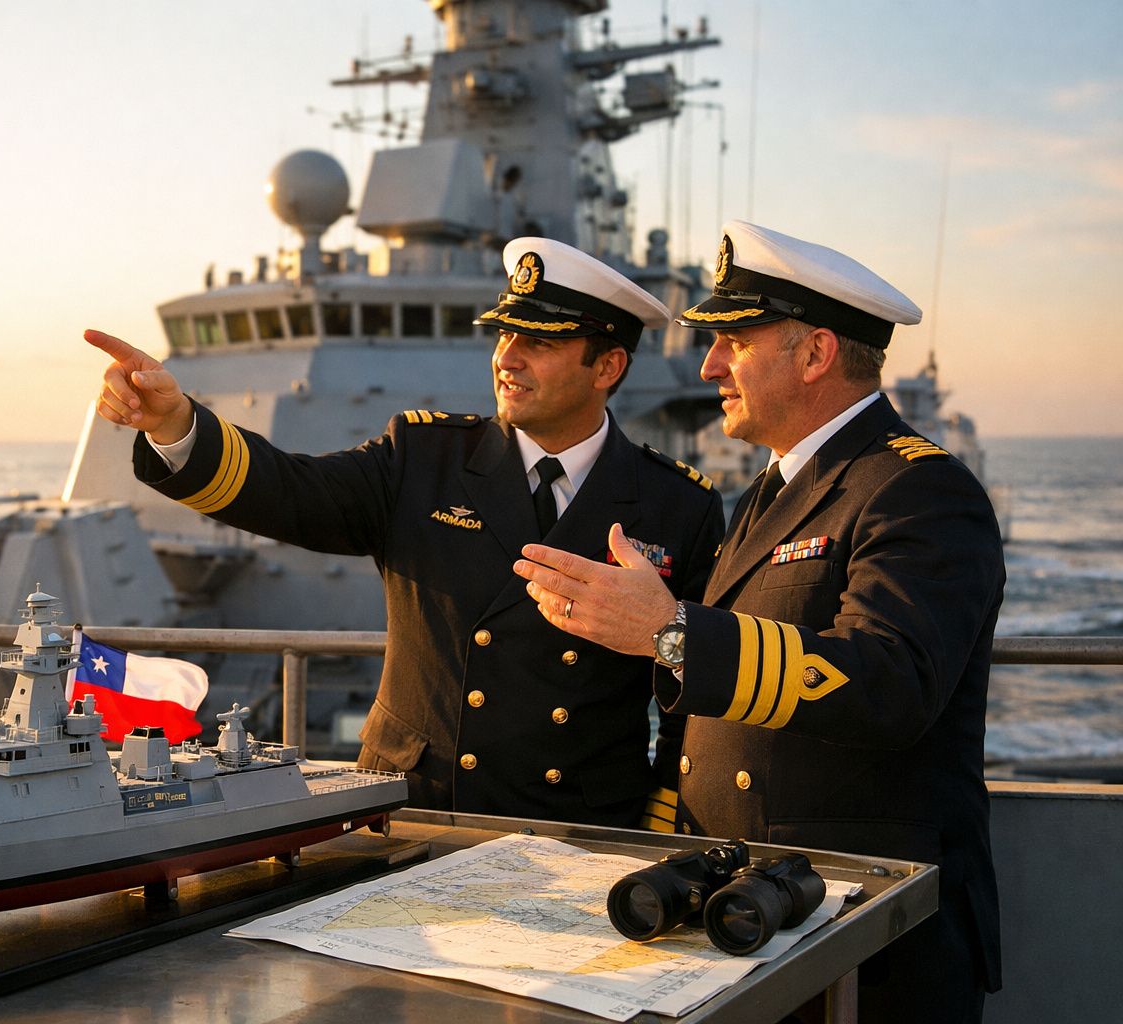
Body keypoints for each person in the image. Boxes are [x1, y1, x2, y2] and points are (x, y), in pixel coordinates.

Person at [513, 220, 1003, 1021]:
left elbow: (895, 682)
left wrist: (671, 634)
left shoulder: (916, 489)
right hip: (755, 916)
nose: (708, 365)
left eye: (733, 342)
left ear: (813, 355)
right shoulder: (770, 493)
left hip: (866, 932)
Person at [85, 236, 724, 829]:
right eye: (503, 335)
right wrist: (176, 427)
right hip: (412, 807)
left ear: (607, 365)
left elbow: (687, 698)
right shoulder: (422, 457)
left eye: (541, 343)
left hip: (579, 827)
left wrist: (661, 823)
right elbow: (290, 493)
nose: (507, 358)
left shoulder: (677, 506)